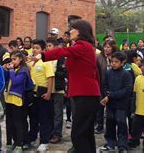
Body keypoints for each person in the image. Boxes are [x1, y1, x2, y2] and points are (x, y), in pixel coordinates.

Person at [41, 19, 100, 153]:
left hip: (86, 94)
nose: (70, 31)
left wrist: (42, 55)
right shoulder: (82, 47)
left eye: (73, 28)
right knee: (85, 132)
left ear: (80, 31)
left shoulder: (82, 46)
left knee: (78, 134)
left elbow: (62, 52)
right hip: (85, 94)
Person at [99, 52, 132, 152]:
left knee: (121, 124)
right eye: (112, 61)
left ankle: (122, 146)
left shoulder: (126, 74)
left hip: (121, 105)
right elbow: (104, 86)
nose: (113, 64)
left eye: (116, 62)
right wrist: (106, 96)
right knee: (110, 124)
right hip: (110, 104)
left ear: (122, 63)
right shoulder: (108, 73)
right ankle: (110, 143)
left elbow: (127, 90)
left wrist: (110, 95)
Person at [27, 39, 55, 152]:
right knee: (33, 118)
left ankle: (44, 142)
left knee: (44, 119)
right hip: (32, 94)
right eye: (33, 47)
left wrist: (48, 93)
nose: (35, 50)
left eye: (37, 48)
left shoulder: (46, 61)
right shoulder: (30, 62)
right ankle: (33, 138)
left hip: (43, 94)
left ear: (43, 50)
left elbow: (50, 77)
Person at [4, 50, 33, 153]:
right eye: (11, 59)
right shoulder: (13, 69)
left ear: (20, 59)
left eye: (14, 59)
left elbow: (16, 82)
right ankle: (11, 142)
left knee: (18, 123)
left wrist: (11, 70)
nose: (12, 62)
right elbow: (6, 79)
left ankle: (20, 144)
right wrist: (6, 70)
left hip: (18, 100)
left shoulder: (23, 70)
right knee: (9, 122)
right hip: (8, 98)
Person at [95, 38, 118, 134]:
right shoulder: (99, 57)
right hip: (101, 84)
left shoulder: (116, 57)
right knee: (100, 105)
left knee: (112, 107)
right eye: (105, 47)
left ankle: (113, 125)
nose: (106, 49)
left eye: (108, 47)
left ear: (113, 48)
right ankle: (99, 124)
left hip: (114, 85)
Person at [46, 38, 67, 144]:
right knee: (49, 112)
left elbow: (64, 73)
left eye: (50, 46)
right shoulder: (46, 57)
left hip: (58, 89)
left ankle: (57, 134)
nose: (48, 48)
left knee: (58, 113)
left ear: (55, 46)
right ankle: (49, 132)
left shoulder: (60, 58)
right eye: (47, 46)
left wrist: (53, 72)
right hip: (48, 89)